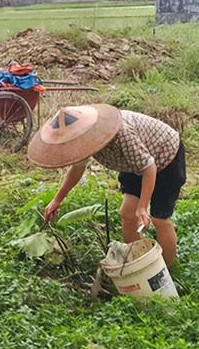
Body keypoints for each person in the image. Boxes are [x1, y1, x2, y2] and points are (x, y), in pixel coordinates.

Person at [27, 104, 185, 266]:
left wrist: (143, 206)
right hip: (135, 163)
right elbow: (77, 169)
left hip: (165, 157)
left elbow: (149, 168)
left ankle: (169, 270)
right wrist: (57, 200)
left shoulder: (122, 135)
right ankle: (137, 264)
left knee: (160, 219)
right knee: (127, 213)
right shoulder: (84, 140)